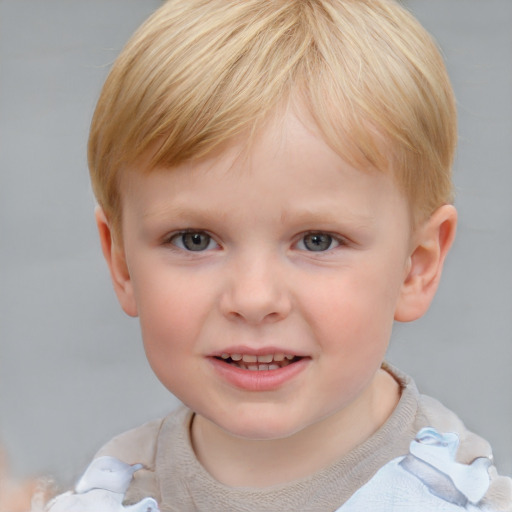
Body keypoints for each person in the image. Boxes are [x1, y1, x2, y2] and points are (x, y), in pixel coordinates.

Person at [48, 0, 512, 510]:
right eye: (194, 239)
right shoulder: (104, 498)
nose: (252, 298)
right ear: (121, 262)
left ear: (416, 266)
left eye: (317, 240)